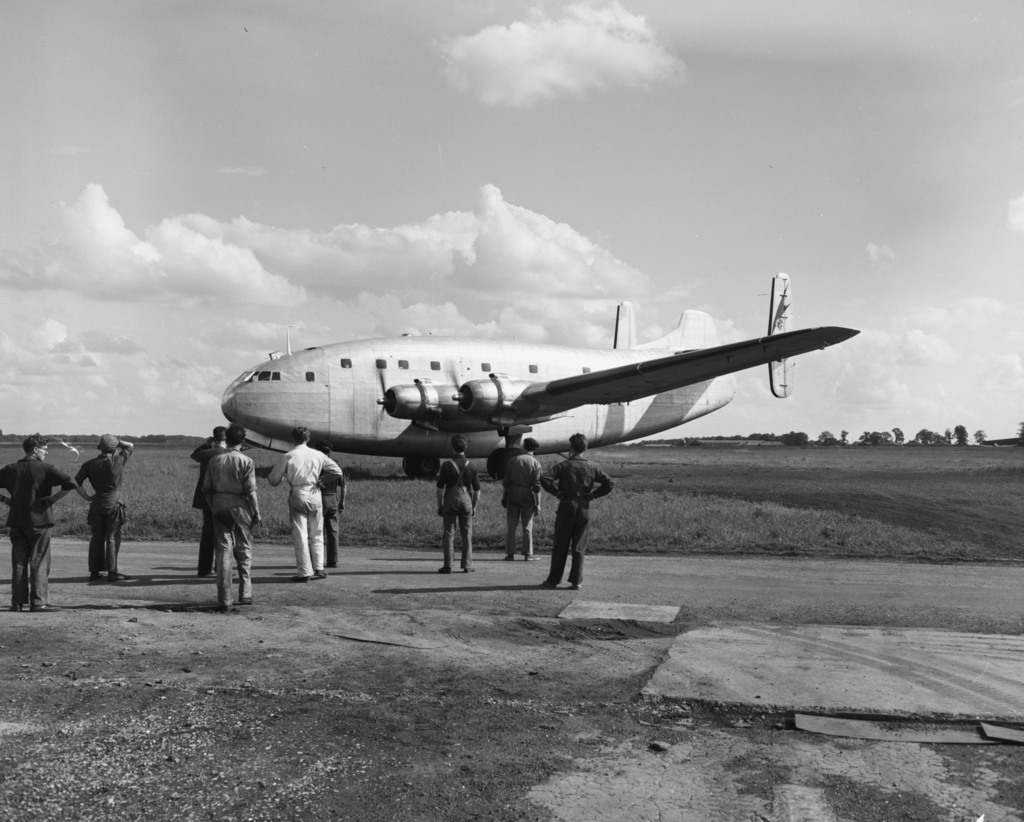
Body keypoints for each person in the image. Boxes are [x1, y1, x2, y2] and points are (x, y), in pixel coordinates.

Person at [0, 435, 81, 612]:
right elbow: (71, 483)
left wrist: (5, 500)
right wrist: (52, 499)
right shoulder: (45, 468)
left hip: (17, 521)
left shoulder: (11, 468)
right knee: (39, 561)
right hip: (40, 520)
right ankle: (38, 602)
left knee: (19, 561)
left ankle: (17, 602)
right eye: (45, 450)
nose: (47, 452)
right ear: (36, 450)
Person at [539, 433, 614, 591]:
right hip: (584, 507)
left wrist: (556, 492)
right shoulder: (592, 467)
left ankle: (554, 580)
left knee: (561, 545)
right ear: (585, 447)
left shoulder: (564, 465)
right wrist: (593, 495)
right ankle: (576, 581)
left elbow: (545, 479)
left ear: (571, 448)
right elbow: (609, 483)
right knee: (579, 546)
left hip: (566, 505)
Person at [268, 426, 343, 581]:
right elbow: (337, 471)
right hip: (315, 493)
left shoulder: (288, 456)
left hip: (297, 493)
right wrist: (322, 480)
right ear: (308, 439)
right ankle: (319, 567)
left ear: (293, 438)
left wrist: (284, 475)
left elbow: (273, 480)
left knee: (300, 534)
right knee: (317, 532)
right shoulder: (318, 455)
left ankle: (304, 572)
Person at [202, 423, 261, 611]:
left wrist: (213, 506)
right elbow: (250, 491)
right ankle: (245, 592)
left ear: (227, 439)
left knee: (223, 551)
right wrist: (256, 511)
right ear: (243, 441)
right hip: (239, 506)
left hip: (219, 505)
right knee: (244, 550)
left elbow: (206, 489)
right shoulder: (247, 461)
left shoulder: (215, 460)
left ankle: (224, 597)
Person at [75, 434, 134, 582]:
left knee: (96, 537)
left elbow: (76, 483)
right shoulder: (118, 461)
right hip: (114, 503)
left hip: (97, 504)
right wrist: (116, 441)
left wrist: (87, 497)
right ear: (114, 449)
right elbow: (130, 446)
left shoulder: (88, 464)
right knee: (112, 537)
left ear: (99, 447)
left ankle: (94, 572)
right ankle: (112, 572)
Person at [435, 435, 480, 574]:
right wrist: (474, 506)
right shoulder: (472, 465)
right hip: (466, 499)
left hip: (450, 499)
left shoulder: (446, 465)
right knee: (467, 534)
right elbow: (477, 490)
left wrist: (440, 505)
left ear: (452, 448)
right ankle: (467, 565)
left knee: (448, 534)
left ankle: (448, 565)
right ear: (466, 447)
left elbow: (440, 488)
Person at [190, 426, 228, 577]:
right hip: (225, 498)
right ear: (227, 439)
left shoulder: (205, 454)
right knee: (225, 535)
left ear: (214, 438)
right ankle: (222, 568)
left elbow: (194, 454)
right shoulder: (230, 454)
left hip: (206, 499)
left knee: (208, 535)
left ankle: (205, 568)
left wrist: (207, 444)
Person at [502, 437, 542, 561]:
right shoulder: (536, 463)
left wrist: (504, 496)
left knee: (511, 526)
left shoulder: (513, 460)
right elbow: (536, 487)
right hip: (527, 496)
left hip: (513, 494)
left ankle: (510, 553)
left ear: (524, 447)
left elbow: (506, 482)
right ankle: (527, 554)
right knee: (527, 526)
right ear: (534, 449)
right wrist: (538, 503)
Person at [314, 442, 346, 568]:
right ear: (330, 452)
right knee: (333, 531)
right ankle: (333, 560)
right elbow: (343, 485)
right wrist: (342, 501)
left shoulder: (316, 464)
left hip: (319, 497)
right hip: (333, 498)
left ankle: (317, 561)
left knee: (318, 531)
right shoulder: (335, 465)